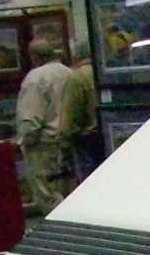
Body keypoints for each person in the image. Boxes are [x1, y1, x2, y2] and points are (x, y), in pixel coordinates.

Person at [16, 43, 76, 212]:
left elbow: (31, 116)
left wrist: (24, 141)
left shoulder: (35, 78)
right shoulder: (70, 73)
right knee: (69, 192)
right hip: (69, 141)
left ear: (34, 56)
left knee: (48, 195)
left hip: (43, 146)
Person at [63, 54, 101, 182]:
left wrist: (65, 138)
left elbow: (72, 113)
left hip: (87, 140)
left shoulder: (77, 77)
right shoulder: (99, 70)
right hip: (105, 133)